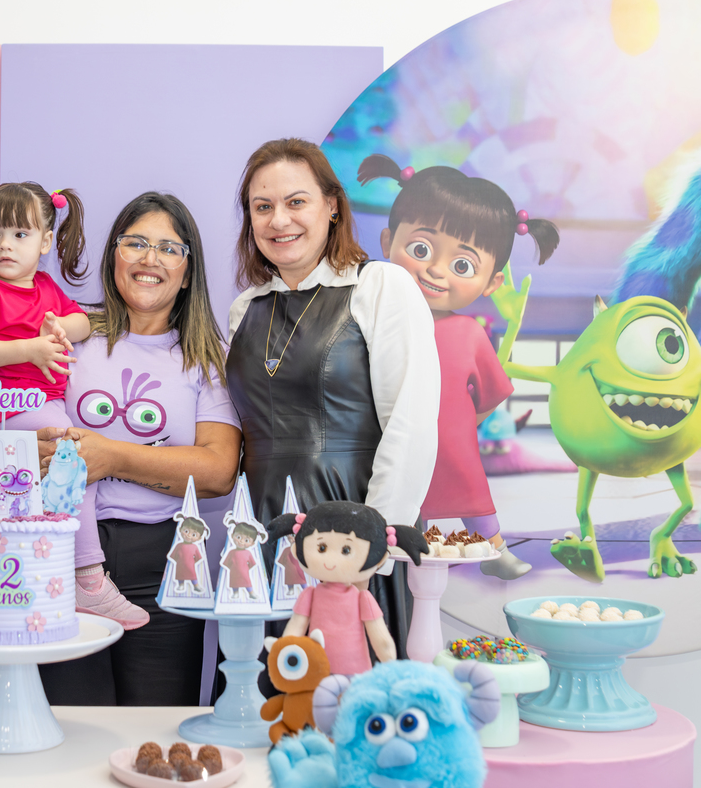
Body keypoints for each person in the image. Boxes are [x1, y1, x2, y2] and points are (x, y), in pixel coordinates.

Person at [226, 138, 440, 678]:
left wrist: (372, 548)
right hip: (266, 529)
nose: (279, 220)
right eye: (262, 206)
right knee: (269, 694)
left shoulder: (381, 285)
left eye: (296, 202)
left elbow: (410, 424)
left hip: (351, 530)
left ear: (332, 206)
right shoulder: (244, 309)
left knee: (355, 694)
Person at [39, 192, 242, 705]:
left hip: (164, 563)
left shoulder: (206, 357)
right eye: (136, 243)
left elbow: (219, 470)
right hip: (59, 555)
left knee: (155, 724)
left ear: (188, 273)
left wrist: (113, 457)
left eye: (169, 249)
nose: (150, 259)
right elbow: (28, 429)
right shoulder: (68, 336)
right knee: (70, 723)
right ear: (114, 255)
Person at [358, 154, 560, 580]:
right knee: (396, 491)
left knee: (472, 491)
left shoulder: (469, 333)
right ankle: (398, 548)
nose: (435, 270)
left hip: (452, 443)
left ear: (492, 282)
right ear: (387, 242)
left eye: (462, 265)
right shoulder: (372, 319)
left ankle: (495, 548)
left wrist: (459, 426)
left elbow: (491, 394)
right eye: (420, 249)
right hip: (385, 439)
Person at [0, 181, 146, 629]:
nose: (5, 245)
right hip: (13, 409)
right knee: (78, 465)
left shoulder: (44, 286)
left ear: (44, 243)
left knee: (66, 482)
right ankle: (89, 579)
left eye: (19, 235)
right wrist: (31, 348)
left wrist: (59, 327)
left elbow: (82, 322)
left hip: (48, 407)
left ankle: (57, 573)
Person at [275, 502, 428, 676]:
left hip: (354, 674)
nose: (331, 559)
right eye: (322, 548)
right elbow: (295, 630)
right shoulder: (310, 595)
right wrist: (285, 651)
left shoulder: (362, 598)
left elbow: (381, 640)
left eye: (346, 550)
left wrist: (389, 663)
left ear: (380, 558)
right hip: (315, 673)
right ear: (296, 550)